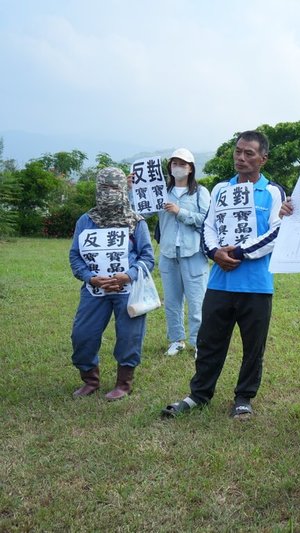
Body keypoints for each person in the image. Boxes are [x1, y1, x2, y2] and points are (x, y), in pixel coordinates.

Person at [161, 130, 284, 420]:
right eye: (238, 151)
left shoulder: (273, 192)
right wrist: (216, 252)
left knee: (253, 347)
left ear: (262, 159)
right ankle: (199, 394)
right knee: (209, 341)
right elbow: (208, 226)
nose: (241, 158)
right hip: (220, 282)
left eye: (249, 153)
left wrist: (238, 253)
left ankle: (244, 398)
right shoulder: (220, 190)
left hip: (256, 285)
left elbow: (276, 232)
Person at [69, 167, 155, 400]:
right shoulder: (86, 221)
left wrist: (129, 275)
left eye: (115, 188)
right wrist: (89, 277)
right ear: (97, 189)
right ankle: (90, 379)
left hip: (127, 289)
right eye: (104, 188)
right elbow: (75, 255)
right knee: (82, 335)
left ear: (124, 190)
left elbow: (147, 257)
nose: (109, 193)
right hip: (94, 289)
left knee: (129, 336)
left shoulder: (136, 222)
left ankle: (123, 383)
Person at [157, 148, 211, 358]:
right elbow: (142, 211)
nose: (177, 167)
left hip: (194, 253)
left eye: (182, 164)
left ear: (190, 169)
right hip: (169, 253)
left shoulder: (200, 192)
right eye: (173, 163)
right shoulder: (162, 191)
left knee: (197, 301)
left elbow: (206, 220)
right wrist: (133, 189)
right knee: (172, 301)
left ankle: (199, 343)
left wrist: (180, 212)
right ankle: (176, 340)